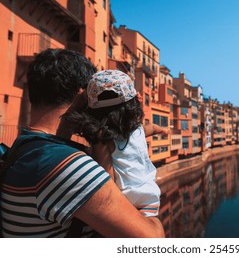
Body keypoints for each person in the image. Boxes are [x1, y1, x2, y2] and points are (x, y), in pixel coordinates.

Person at [0, 49, 164, 238]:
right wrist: (153, 220)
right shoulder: (65, 165)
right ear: (83, 95)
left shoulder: (23, 149)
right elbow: (153, 240)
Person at [63, 70, 169, 217]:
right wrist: (163, 130)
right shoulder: (137, 129)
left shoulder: (102, 139)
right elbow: (151, 128)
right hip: (150, 197)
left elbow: (107, 178)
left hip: (127, 200)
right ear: (133, 106)